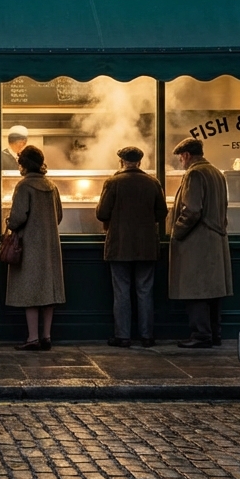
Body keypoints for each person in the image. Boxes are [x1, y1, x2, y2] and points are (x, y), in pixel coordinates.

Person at [96, 146, 168, 348]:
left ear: (121, 162)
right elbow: (161, 212)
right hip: (146, 246)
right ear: (140, 162)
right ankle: (146, 336)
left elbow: (102, 213)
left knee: (121, 291)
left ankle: (122, 336)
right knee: (145, 291)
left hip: (119, 245)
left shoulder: (113, 182)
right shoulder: (152, 183)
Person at [167, 138, 233, 348]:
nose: (180, 161)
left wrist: (176, 231)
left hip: (197, 241)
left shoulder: (195, 174)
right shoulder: (216, 172)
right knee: (212, 291)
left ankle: (200, 335)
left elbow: (192, 210)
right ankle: (215, 333)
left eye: (180, 157)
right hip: (216, 240)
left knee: (196, 290)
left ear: (186, 155)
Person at [4, 145, 66, 351]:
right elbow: (58, 216)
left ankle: (32, 338)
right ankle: (46, 336)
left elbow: (18, 218)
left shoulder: (24, 187)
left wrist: (8, 221)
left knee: (30, 292)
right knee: (48, 291)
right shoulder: (51, 186)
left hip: (29, 245)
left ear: (24, 165)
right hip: (50, 246)